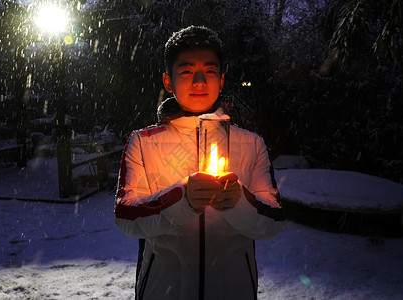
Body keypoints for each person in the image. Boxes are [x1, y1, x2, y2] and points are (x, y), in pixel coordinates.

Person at [114, 25, 286, 300]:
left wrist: (239, 201)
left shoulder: (252, 144)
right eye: (185, 71)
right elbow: (126, 215)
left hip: (234, 289)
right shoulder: (143, 142)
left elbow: (274, 219)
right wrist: (182, 199)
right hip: (164, 290)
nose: (198, 81)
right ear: (167, 81)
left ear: (221, 79)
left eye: (209, 71)